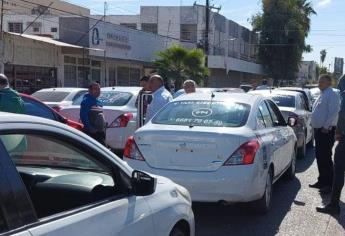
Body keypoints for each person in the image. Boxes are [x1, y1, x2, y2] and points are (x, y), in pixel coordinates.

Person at [316, 75, 345, 214]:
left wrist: (337, 131)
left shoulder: (335, 94)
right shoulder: (324, 94)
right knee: (324, 158)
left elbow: (340, 113)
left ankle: (333, 203)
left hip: (336, 134)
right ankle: (325, 184)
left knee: (338, 168)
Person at [309, 74, 340, 192]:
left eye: (322, 81)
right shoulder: (322, 94)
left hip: (326, 130)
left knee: (325, 157)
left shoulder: (332, 94)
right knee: (319, 157)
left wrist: (326, 126)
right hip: (320, 130)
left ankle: (328, 184)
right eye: (319, 81)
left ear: (329, 83)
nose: (319, 83)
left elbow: (334, 111)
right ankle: (322, 181)